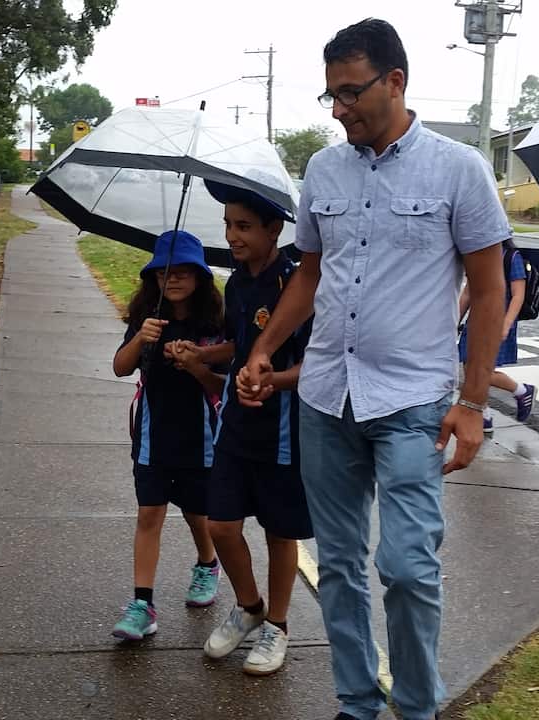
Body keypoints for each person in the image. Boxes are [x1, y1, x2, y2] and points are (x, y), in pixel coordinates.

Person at [237, 19, 511, 720]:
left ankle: (417, 708)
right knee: (337, 565)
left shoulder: (458, 169)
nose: (339, 109)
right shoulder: (324, 171)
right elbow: (309, 275)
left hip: (413, 401)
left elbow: (489, 292)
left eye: (351, 92)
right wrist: (266, 347)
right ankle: (357, 702)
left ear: (395, 81)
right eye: (330, 95)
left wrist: (473, 403)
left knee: (409, 568)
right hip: (326, 397)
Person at [181, 180, 314, 676]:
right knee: (221, 525)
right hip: (234, 425)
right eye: (227, 225)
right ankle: (250, 607)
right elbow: (241, 345)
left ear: (274, 229)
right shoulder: (236, 284)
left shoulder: (298, 285)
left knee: (280, 533)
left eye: (243, 226)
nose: (232, 236)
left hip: (282, 432)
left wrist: (273, 382)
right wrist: (201, 354)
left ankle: (277, 625)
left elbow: (318, 366)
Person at [110, 230, 224, 640]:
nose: (171, 279)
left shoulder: (214, 325)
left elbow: (221, 384)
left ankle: (207, 564)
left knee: (198, 513)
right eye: (163, 273)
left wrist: (195, 365)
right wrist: (142, 337)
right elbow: (120, 367)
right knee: (149, 514)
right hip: (153, 436)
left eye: (181, 272)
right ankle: (143, 604)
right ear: (152, 278)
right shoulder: (148, 319)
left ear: (199, 276)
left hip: (200, 438)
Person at [456, 239, 536, 434]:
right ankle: (483, 414)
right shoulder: (477, 256)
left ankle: (521, 390)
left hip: (498, 322)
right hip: (476, 320)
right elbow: (468, 292)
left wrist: (506, 324)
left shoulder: (512, 257)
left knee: (482, 372)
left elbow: (518, 295)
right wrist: (454, 320)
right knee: (468, 367)